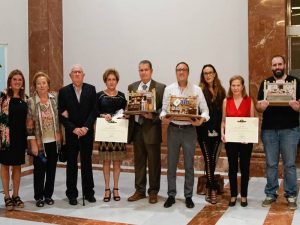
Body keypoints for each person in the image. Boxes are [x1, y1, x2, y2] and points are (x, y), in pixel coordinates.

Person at [160, 62, 209, 208]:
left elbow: (205, 111)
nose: (181, 72)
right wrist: (164, 118)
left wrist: (201, 121)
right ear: (176, 72)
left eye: (184, 70)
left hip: (189, 131)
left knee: (189, 165)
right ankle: (171, 195)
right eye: (178, 70)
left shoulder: (196, 90)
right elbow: (163, 110)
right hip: (173, 129)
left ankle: (188, 196)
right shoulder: (169, 89)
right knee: (171, 165)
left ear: (188, 72)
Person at [256, 55, 300, 210]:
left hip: (290, 129)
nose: (277, 67)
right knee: (271, 164)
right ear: (271, 67)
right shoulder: (266, 83)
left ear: (285, 65)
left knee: (289, 164)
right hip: (269, 130)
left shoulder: (295, 82)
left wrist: (297, 108)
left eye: (280, 64)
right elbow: (258, 107)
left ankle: (291, 195)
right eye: (274, 65)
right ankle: (270, 193)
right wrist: (262, 106)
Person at [127, 60, 166, 204]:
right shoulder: (132, 86)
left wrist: (153, 115)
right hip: (137, 129)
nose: (143, 72)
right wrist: (127, 112)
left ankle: (153, 191)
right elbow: (130, 105)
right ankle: (140, 190)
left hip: (152, 129)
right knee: (139, 162)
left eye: (146, 70)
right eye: (141, 70)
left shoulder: (160, 88)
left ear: (151, 71)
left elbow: (164, 109)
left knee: (154, 162)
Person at [58, 64, 97, 205]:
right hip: (72, 134)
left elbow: (94, 111)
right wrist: (74, 129)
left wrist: (86, 127)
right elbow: (61, 115)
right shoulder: (63, 92)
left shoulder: (91, 89)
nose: (77, 74)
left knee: (87, 163)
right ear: (70, 75)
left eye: (79, 72)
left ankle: (89, 193)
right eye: (74, 72)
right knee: (72, 165)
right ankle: (72, 194)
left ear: (83, 75)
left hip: (87, 133)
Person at [27, 72, 61, 207]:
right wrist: (33, 143)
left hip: (53, 141)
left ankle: (48, 195)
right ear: (35, 86)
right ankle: (39, 197)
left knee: (51, 170)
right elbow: (29, 126)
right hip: (39, 143)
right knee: (39, 170)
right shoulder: (31, 101)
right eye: (38, 83)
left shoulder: (54, 99)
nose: (41, 85)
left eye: (44, 83)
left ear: (48, 85)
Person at [221, 75, 255, 207]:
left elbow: (252, 121)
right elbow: (223, 121)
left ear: (242, 86)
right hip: (231, 140)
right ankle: (234, 194)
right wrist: (223, 133)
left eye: (238, 85)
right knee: (232, 168)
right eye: (233, 85)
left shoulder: (249, 100)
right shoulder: (226, 101)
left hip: (246, 141)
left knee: (245, 168)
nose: (235, 88)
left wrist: (249, 136)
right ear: (230, 87)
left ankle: (244, 195)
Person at [95, 69, 127, 202]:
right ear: (105, 81)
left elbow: (126, 112)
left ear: (117, 81)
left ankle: (116, 188)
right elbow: (95, 112)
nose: (111, 82)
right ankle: (107, 189)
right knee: (106, 161)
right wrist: (103, 115)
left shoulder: (122, 96)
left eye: (114, 79)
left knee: (117, 161)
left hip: (118, 133)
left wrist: (124, 115)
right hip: (105, 133)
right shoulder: (99, 96)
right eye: (109, 79)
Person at [196, 64, 226, 204]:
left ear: (214, 74)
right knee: (208, 159)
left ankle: (209, 186)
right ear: (203, 76)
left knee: (213, 160)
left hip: (218, 131)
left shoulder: (221, 91)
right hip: (203, 130)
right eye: (205, 73)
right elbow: (197, 111)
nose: (208, 75)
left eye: (210, 72)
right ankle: (211, 189)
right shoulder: (199, 91)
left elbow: (223, 113)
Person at [0, 69, 27, 211]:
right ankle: (7, 196)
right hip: (5, 139)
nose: (17, 82)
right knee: (5, 166)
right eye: (14, 79)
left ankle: (16, 195)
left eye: (20, 80)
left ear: (22, 83)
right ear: (10, 82)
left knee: (17, 166)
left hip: (20, 138)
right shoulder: (2, 97)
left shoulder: (25, 99)